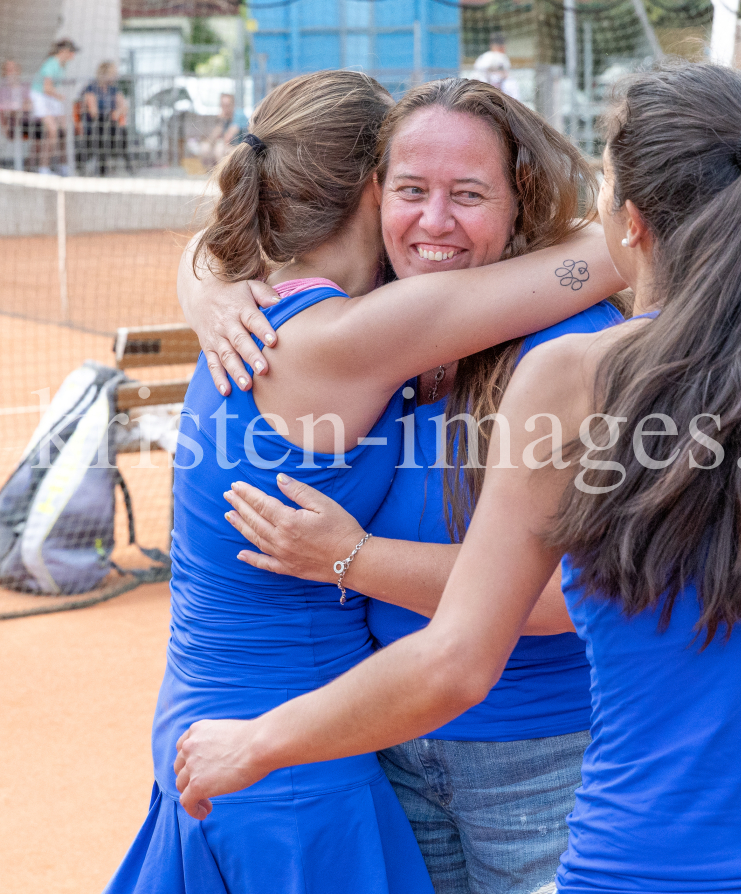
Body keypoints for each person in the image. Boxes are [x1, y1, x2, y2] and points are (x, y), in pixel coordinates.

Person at [174, 63, 741, 892]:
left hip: (624, 864)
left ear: (629, 222)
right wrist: (204, 280)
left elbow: (457, 659)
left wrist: (256, 741)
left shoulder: (573, 379)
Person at [105, 70, 622, 894]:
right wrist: (202, 282)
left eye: (467, 193)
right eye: (410, 186)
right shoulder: (350, 335)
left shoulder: (299, 314)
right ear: (372, 188)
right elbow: (607, 251)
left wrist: (201, 276)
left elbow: (573, 585)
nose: (433, 220)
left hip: (310, 729)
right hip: (298, 743)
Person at [30, 38, 78, 175]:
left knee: (65, 130)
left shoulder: (63, 65)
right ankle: (43, 169)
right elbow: (47, 88)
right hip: (41, 97)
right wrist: (62, 97)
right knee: (52, 131)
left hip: (52, 98)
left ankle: (64, 166)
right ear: (63, 51)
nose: (73, 55)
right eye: (71, 52)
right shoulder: (51, 63)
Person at [81, 61, 131, 176]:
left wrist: (116, 113)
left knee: (121, 131)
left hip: (111, 123)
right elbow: (94, 112)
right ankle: (102, 169)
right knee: (102, 131)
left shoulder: (113, 89)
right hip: (95, 125)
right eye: (113, 73)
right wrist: (110, 114)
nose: (115, 76)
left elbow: (124, 107)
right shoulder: (91, 88)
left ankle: (127, 165)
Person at [198, 91, 247, 169]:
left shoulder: (239, 115)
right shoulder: (224, 118)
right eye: (222, 105)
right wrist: (220, 122)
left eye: (227, 105)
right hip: (228, 146)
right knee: (205, 147)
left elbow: (228, 136)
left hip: (241, 148)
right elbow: (212, 138)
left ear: (233, 105)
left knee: (219, 148)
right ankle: (210, 174)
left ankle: (221, 175)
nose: (224, 108)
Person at [472, 32, 519, 100]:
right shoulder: (502, 57)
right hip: (488, 88)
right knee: (510, 83)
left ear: (491, 45)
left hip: (481, 90)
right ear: (502, 46)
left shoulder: (483, 56)